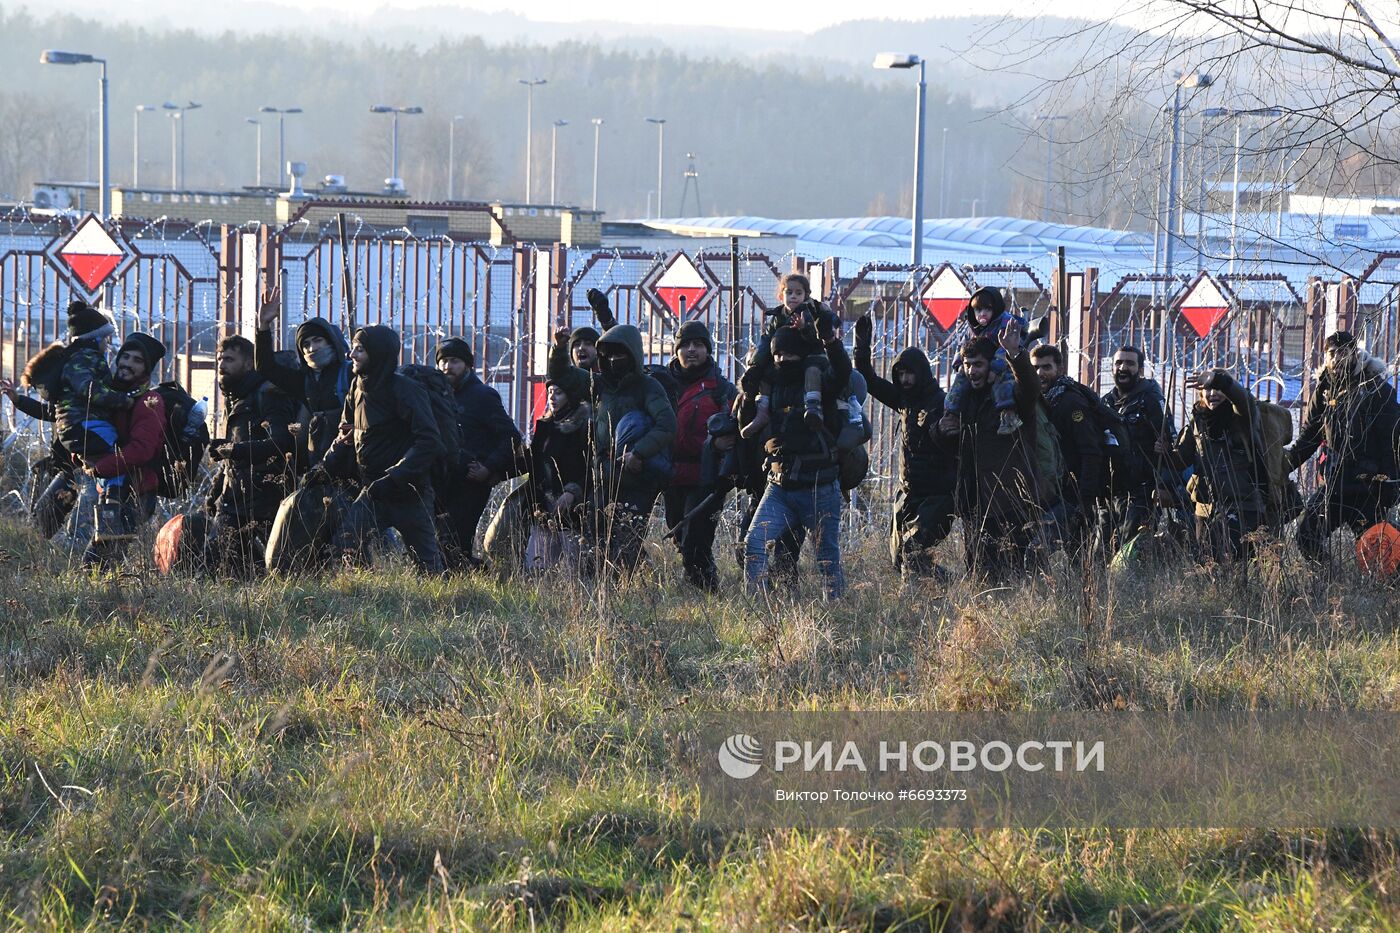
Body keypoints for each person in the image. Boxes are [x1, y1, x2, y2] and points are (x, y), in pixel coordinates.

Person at [3, 333, 168, 565]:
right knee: (50, 523)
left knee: (100, 561)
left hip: (133, 493)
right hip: (101, 481)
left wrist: (100, 467)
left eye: (137, 361)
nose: (127, 364)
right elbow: (63, 413)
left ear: (147, 369)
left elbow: (141, 450)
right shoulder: (107, 394)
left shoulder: (148, 401)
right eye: (126, 356)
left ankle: (107, 597)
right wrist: (19, 400)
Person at [312, 325, 446, 572]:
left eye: (360, 349)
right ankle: (367, 596)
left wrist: (394, 476)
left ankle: (442, 606)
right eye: (353, 347)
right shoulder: (356, 388)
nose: (351, 354)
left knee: (428, 567)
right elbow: (345, 434)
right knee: (346, 547)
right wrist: (323, 466)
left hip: (410, 494)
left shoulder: (405, 390)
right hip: (373, 491)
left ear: (379, 353)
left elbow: (428, 440)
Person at [548, 322, 676, 575]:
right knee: (594, 543)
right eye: (608, 355)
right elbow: (563, 375)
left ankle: (631, 597)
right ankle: (598, 601)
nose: (614, 360)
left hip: (638, 479)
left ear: (632, 355)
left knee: (625, 544)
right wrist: (559, 348)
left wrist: (639, 452)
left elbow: (667, 424)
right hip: (603, 477)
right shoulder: (599, 385)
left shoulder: (648, 387)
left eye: (620, 354)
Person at [744, 321, 853, 600]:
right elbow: (746, 426)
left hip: (820, 486)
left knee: (826, 558)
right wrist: (748, 391)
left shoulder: (820, 381)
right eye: (777, 354)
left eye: (789, 354)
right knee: (754, 544)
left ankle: (836, 612)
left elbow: (842, 371)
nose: (783, 359)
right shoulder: (769, 386)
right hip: (779, 486)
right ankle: (757, 611)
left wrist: (829, 339)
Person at [853, 312, 956, 576]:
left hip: (937, 495)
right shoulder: (904, 401)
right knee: (899, 560)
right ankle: (937, 590)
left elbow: (955, 447)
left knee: (914, 551)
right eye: (900, 374)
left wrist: (940, 432)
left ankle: (944, 587)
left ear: (921, 373)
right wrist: (861, 346)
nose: (905, 379)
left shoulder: (942, 403)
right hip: (908, 492)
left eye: (910, 373)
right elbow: (869, 380)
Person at [1285, 331, 1400, 562]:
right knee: (1307, 536)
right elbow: (1309, 437)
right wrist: (1284, 465)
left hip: (1368, 488)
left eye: (1343, 352)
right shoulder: (1325, 391)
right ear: (1325, 357)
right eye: (1331, 353)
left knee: (1381, 552)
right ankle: (1329, 583)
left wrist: (1392, 484)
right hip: (1334, 486)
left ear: (1354, 354)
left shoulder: (1376, 390)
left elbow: (1392, 441)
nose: (1336, 359)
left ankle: (1379, 594)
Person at [939, 324, 1042, 582]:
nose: (972, 371)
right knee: (979, 575)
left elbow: (1030, 388)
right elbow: (950, 446)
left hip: (1010, 503)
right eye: (967, 364)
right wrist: (940, 430)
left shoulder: (1009, 398)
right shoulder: (962, 401)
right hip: (974, 502)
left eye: (978, 365)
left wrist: (1015, 353)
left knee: (1012, 575)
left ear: (991, 366)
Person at [202, 335, 296, 576]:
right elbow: (231, 457)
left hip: (266, 498)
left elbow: (280, 443)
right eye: (219, 359)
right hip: (235, 500)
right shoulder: (235, 397)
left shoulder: (267, 393)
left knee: (283, 570)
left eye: (230, 359)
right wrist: (215, 493)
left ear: (249, 363)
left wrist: (236, 450)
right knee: (218, 567)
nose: (221, 365)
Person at [1159, 369, 1268, 563]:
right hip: (1205, 508)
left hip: (1242, 505)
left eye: (1217, 389)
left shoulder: (1243, 418)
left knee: (1228, 559)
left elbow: (1244, 400)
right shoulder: (1198, 421)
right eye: (1207, 389)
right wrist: (1164, 451)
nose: (1212, 393)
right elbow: (1181, 461)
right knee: (1205, 564)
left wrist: (1220, 380)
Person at [434, 337, 521, 569]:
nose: (447, 367)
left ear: (467, 365)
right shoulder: (438, 396)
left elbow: (510, 436)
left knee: (453, 544)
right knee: (438, 545)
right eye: (443, 361)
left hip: (469, 484)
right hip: (440, 481)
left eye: (454, 361)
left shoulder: (482, 396)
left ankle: (474, 584)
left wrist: (488, 468)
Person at [663, 320, 737, 589]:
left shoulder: (721, 389)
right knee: (681, 536)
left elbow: (733, 429)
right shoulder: (662, 384)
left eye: (698, 345)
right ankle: (697, 587)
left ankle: (707, 592)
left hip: (706, 478)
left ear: (707, 349)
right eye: (685, 345)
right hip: (671, 475)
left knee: (697, 540)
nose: (691, 350)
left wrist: (718, 446)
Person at [254, 283, 351, 471]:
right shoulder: (305, 381)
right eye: (305, 344)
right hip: (318, 464)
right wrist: (264, 325)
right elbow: (265, 367)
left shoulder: (349, 373)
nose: (312, 348)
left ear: (331, 341)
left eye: (318, 340)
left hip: (350, 462)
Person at [23, 300, 134, 465]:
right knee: (117, 462)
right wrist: (124, 400)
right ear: (94, 339)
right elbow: (88, 388)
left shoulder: (74, 357)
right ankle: (111, 490)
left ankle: (90, 487)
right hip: (86, 425)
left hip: (74, 427)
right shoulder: (84, 358)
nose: (107, 344)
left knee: (94, 469)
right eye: (104, 339)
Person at [739, 273, 840, 437]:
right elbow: (767, 341)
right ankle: (762, 410)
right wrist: (756, 364)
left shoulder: (810, 311)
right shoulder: (778, 316)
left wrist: (804, 328)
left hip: (811, 356)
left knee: (812, 370)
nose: (793, 296)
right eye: (789, 292)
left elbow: (818, 338)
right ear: (781, 295)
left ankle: (813, 405)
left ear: (806, 295)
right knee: (764, 374)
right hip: (783, 359)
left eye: (798, 293)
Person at [1032, 344, 1106, 558]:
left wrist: (1084, 501)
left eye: (1046, 367)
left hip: (1072, 496)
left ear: (1060, 369)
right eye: (1035, 368)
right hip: (1052, 493)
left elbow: (1091, 453)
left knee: (1043, 551)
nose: (1040, 374)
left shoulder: (1070, 402)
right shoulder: (1042, 401)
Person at [1101, 345, 1179, 549]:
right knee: (1102, 549)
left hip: (1142, 491)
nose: (1123, 367)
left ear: (1140, 369)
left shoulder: (1151, 399)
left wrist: (1163, 484)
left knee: (1129, 551)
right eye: (1119, 363)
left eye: (1130, 363)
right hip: (1112, 489)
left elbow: (1170, 443)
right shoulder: (1107, 402)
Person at [521, 380, 592, 572]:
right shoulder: (545, 426)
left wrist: (573, 491)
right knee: (536, 569)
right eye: (550, 391)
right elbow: (534, 466)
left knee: (574, 572)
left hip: (573, 509)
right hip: (544, 507)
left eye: (559, 392)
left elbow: (591, 467)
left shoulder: (584, 426)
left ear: (571, 396)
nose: (552, 397)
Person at [943, 287, 1028, 436]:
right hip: (982, 362)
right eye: (978, 310)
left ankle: (1008, 414)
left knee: (1004, 381)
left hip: (1004, 363)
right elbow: (962, 346)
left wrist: (995, 368)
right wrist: (959, 364)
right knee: (960, 379)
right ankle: (951, 413)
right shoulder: (973, 328)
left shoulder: (1005, 323)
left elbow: (1005, 348)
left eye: (987, 309)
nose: (982, 314)